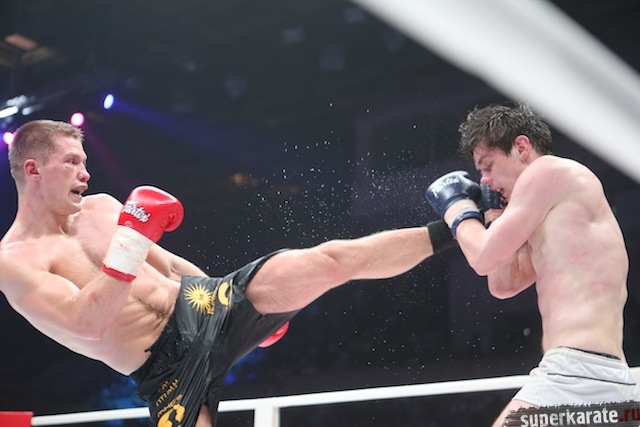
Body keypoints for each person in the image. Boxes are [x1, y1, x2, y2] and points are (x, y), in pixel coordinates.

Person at [0, 119, 456, 427]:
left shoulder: (101, 207)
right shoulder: (14, 261)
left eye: (84, 161)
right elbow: (86, 322)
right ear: (34, 169)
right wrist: (131, 240)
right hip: (165, 367)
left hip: (204, 304)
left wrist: (234, 298)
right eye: (71, 162)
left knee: (329, 260)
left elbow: (169, 265)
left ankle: (458, 224)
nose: (85, 173)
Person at [425, 103, 638, 426]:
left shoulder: (548, 172)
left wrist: (457, 210)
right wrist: (493, 215)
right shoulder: (552, 214)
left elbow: (482, 258)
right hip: (605, 377)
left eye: (488, 166)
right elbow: (503, 284)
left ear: (522, 147)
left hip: (575, 373)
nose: (485, 181)